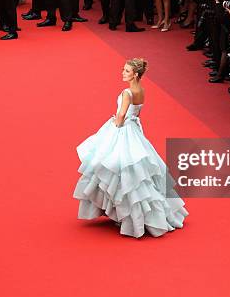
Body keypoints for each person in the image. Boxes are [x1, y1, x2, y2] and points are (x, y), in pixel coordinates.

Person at [73, 58, 188, 238]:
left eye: (126, 71)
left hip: (123, 131)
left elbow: (121, 116)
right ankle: (135, 213)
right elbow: (137, 112)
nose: (122, 73)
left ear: (135, 74)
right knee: (136, 172)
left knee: (113, 168)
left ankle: (123, 213)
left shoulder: (127, 92)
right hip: (134, 130)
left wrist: (114, 123)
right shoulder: (140, 90)